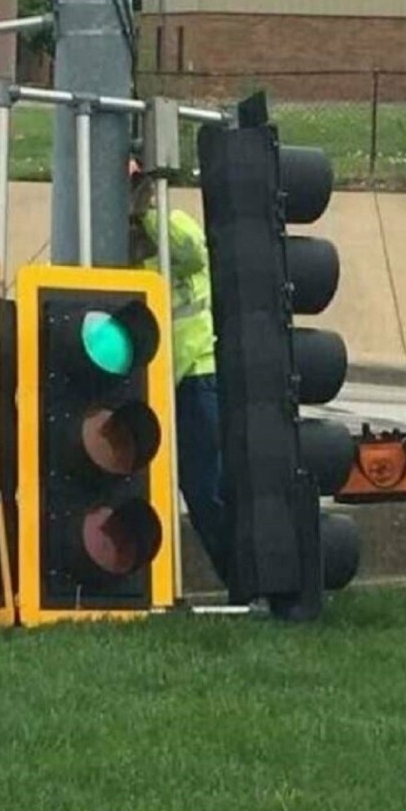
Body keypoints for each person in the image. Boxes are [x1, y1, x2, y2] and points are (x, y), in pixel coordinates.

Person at [128, 160, 229, 583]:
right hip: (151, 386)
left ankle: (247, 581)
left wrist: (144, 209)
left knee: (208, 491)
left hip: (197, 378)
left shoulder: (173, 226)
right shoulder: (121, 251)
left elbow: (192, 250)